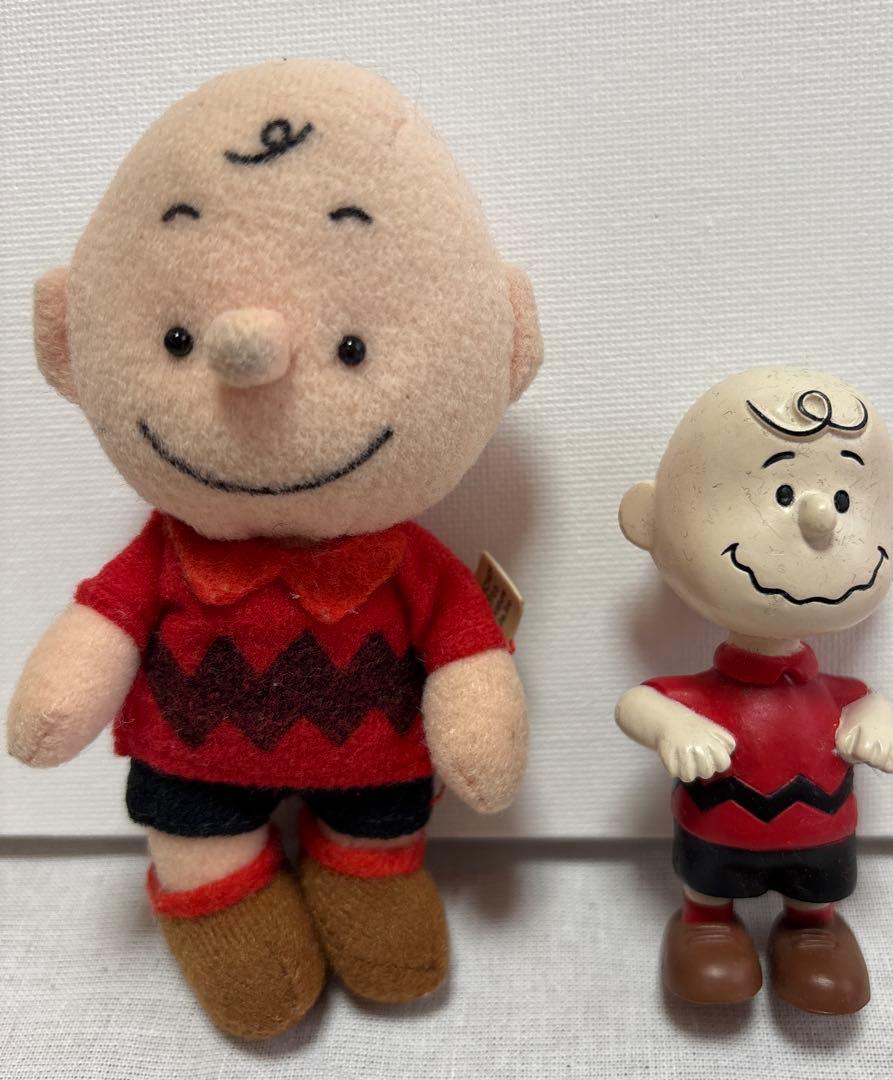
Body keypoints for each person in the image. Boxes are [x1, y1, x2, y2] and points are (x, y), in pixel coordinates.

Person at [7, 60, 542, 1039]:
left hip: (375, 770)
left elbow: (465, 648)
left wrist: (480, 726)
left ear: (507, 345)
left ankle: (365, 880)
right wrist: (57, 702)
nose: (246, 360)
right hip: (197, 762)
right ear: (65, 340)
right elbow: (102, 625)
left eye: (352, 349)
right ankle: (224, 903)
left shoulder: (406, 561)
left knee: (378, 831)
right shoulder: (168, 552)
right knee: (196, 837)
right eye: (177, 339)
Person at [616, 367, 893, 1014]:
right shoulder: (706, 691)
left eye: (843, 498)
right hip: (719, 826)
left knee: (817, 885)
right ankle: (706, 922)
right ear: (650, 520)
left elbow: (865, 698)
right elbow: (637, 703)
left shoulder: (833, 690)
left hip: (820, 827)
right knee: (710, 879)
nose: (819, 518)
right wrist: (674, 725)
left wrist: (877, 719)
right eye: (781, 491)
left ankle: (812, 927)